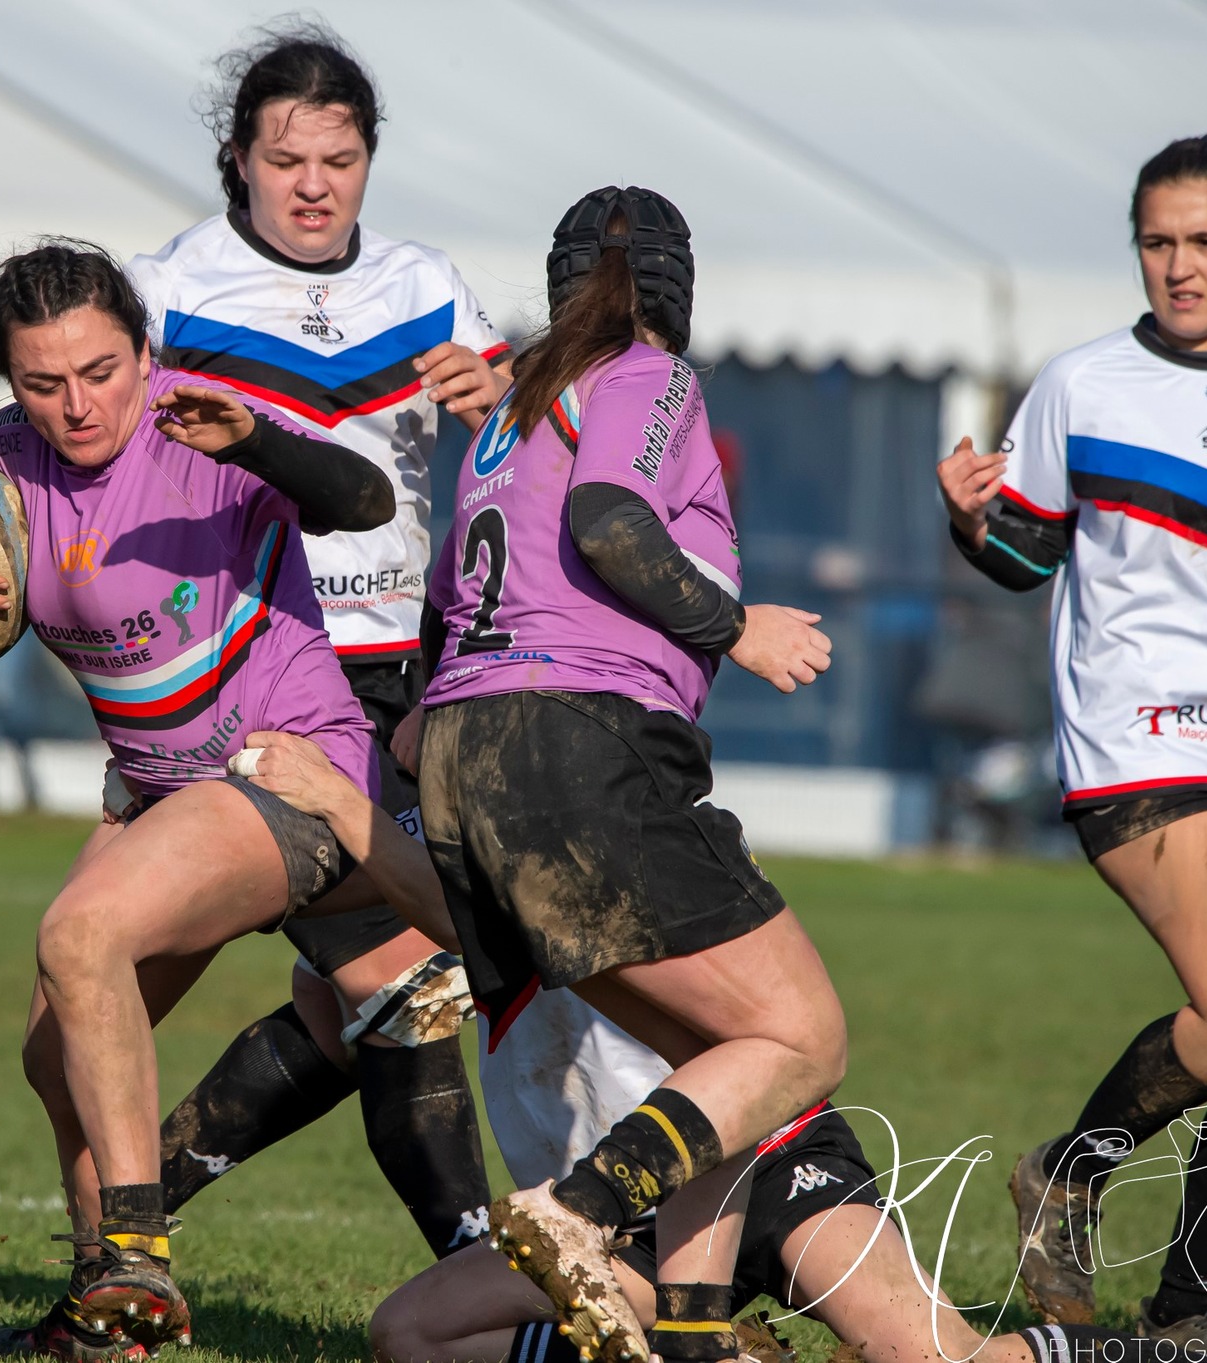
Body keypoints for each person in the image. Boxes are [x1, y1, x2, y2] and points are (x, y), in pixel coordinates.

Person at [0, 241, 413, 1357]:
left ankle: (134, 1261)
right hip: (163, 793)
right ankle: (104, 1322)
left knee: (82, 932)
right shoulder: (3, 459)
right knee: (52, 1053)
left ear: (141, 352)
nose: (76, 404)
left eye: (100, 372)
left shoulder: (204, 425)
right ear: (10, 384)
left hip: (285, 768)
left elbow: (362, 496)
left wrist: (259, 439)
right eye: (44, 383)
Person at [407, 186, 845, 1363]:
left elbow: (447, 607)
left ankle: (692, 1341)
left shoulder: (511, 420)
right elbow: (608, 518)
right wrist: (734, 626)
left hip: (466, 757)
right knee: (802, 1036)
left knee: (725, 1058)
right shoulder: (646, 378)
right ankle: (581, 1213)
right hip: (576, 746)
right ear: (673, 290)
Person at [936, 133, 1207, 1345]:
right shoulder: (1080, 384)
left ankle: (1184, 1316)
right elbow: (1022, 558)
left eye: (1203, 242)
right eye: (1156, 243)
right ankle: (1067, 1170)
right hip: (1144, 736)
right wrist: (971, 526)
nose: (1177, 266)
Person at [124, 21, 502, 1276]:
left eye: (337, 158)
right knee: (400, 977)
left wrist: (505, 400)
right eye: (284, 157)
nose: (311, 183)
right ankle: (476, 1270)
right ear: (237, 159)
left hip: (402, 676)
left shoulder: (425, 283)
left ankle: (133, 1212)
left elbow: (535, 454)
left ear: (368, 159)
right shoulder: (167, 289)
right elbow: (61, 440)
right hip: (252, 676)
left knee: (352, 1001)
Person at [371, 988, 1173, 1363]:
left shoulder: (581, 849)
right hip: (625, 1220)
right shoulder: (450, 856)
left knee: (938, 1360)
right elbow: (350, 963)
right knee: (411, 1331)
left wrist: (337, 807)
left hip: (772, 1154)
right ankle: (702, 1350)